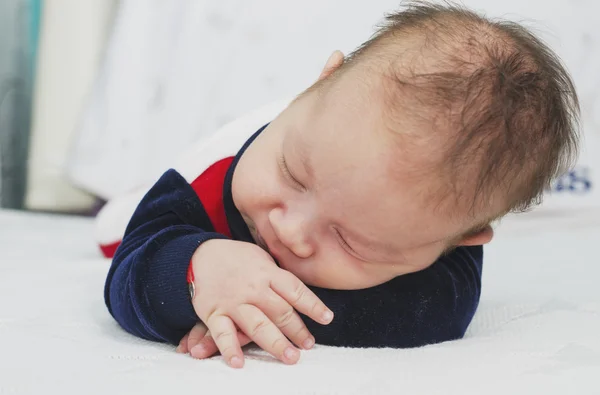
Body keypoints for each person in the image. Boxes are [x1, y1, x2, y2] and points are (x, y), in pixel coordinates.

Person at [97, 1, 580, 369]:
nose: (291, 231)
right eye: (292, 173)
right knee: (120, 227)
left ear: (459, 238)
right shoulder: (213, 173)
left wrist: (264, 309)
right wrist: (194, 270)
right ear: (316, 84)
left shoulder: (436, 225)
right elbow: (130, 272)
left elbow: (432, 317)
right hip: (182, 198)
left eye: (350, 241)